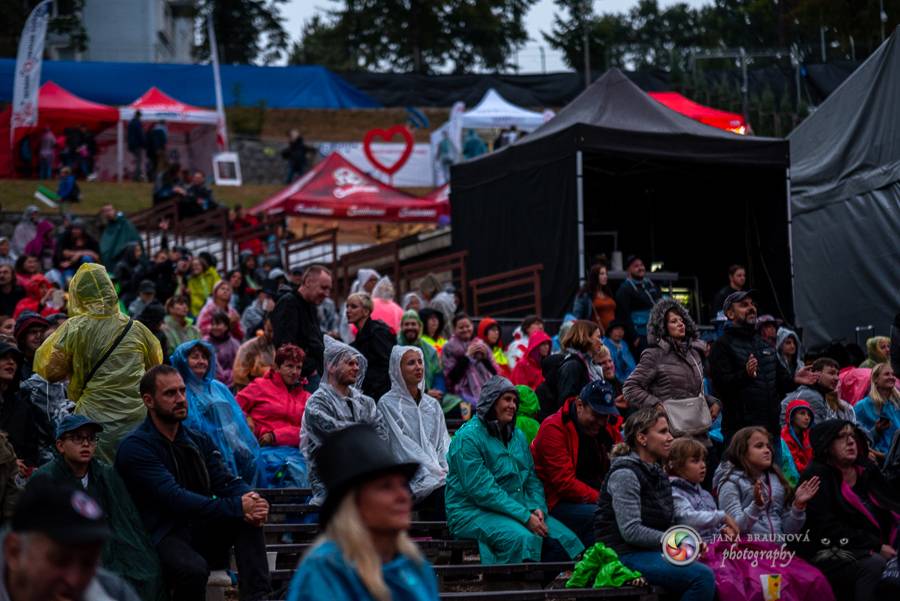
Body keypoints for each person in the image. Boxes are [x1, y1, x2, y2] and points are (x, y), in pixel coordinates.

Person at [116, 365, 271, 601]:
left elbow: (225, 480)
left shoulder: (196, 439)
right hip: (158, 535)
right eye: (170, 393)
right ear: (149, 400)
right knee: (193, 570)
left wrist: (253, 500)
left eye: (182, 391)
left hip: (197, 528)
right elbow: (175, 498)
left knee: (248, 520)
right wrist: (237, 506)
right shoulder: (136, 448)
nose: (180, 399)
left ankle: (259, 598)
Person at [285, 424, 438, 601]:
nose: (403, 496)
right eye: (386, 487)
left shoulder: (414, 564)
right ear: (353, 504)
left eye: (403, 485)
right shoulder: (326, 570)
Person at [445, 377, 583, 564]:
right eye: (507, 399)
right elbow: (483, 491)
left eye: (515, 401)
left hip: (517, 506)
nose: (512, 406)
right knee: (524, 539)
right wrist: (525, 517)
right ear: (491, 401)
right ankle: (509, 587)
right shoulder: (468, 438)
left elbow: (532, 478)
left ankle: (531, 587)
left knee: (566, 541)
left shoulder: (516, 435)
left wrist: (537, 507)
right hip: (471, 510)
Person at [35, 264, 162, 462]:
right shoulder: (136, 328)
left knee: (101, 479)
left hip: (95, 420)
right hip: (138, 418)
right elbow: (155, 366)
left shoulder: (74, 329)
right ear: (110, 288)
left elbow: (51, 372)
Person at [33, 415, 164, 601]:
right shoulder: (45, 478)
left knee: (145, 570)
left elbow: (126, 519)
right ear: (60, 445)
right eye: (77, 438)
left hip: (109, 544)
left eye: (91, 438)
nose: (86, 444)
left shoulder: (106, 473)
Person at [593, 407, 716, 600]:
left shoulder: (657, 473)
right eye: (662, 432)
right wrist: (679, 539)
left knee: (716, 566)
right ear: (642, 438)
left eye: (669, 431)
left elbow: (668, 523)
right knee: (702, 577)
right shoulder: (625, 474)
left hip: (651, 552)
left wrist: (692, 541)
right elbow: (631, 531)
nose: (670, 438)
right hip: (623, 555)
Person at [797, 420, 900, 600]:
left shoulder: (866, 468)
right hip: (833, 549)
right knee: (874, 564)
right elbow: (825, 528)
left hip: (880, 541)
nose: (851, 441)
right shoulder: (817, 477)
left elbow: (892, 504)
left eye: (852, 436)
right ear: (827, 445)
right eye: (841, 437)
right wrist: (875, 546)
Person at [1, 477, 142, 601]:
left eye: (88, 563)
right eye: (60, 561)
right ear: (14, 551)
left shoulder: (114, 593)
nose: (74, 580)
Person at [710, 290, 815, 444]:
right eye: (744, 305)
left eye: (753, 304)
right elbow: (721, 387)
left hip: (771, 431)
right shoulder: (722, 346)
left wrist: (794, 379)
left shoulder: (764, 344)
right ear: (730, 314)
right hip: (742, 435)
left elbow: (780, 384)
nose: (752, 308)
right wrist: (745, 374)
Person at [531, 380, 620, 547]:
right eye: (596, 414)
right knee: (602, 516)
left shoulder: (604, 430)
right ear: (580, 405)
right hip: (555, 501)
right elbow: (564, 483)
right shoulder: (554, 428)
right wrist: (603, 499)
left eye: (605, 416)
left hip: (592, 496)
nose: (601, 421)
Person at [300, 336, 384, 513]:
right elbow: (337, 436)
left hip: (365, 479)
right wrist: (365, 438)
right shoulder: (317, 403)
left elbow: (381, 435)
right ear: (331, 366)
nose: (356, 368)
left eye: (356, 364)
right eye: (349, 363)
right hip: (330, 482)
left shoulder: (366, 402)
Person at [623, 298, 718, 438]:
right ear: (662, 327)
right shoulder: (654, 355)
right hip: (670, 434)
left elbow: (692, 392)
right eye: (674, 321)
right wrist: (656, 405)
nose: (680, 324)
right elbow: (630, 388)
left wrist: (713, 402)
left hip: (698, 430)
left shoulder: (694, 354)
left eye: (682, 320)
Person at [377, 346, 451, 520]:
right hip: (406, 477)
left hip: (438, 474)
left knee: (454, 487)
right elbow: (401, 447)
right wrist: (433, 472)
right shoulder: (387, 404)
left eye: (420, 362)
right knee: (443, 491)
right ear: (398, 369)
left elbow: (443, 443)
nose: (418, 367)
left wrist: (446, 469)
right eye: (411, 363)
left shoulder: (432, 405)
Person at [236, 344, 310, 488]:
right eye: (289, 366)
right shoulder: (260, 386)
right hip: (262, 452)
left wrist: (276, 436)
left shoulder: (307, 397)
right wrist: (248, 420)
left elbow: (309, 431)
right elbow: (232, 408)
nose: (294, 372)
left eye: (298, 367)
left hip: (296, 454)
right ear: (277, 367)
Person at [272, 265, 331, 391]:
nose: (327, 294)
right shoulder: (288, 304)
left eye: (328, 289)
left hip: (316, 375)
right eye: (323, 288)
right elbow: (285, 347)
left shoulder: (311, 305)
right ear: (308, 282)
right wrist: (310, 367)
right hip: (302, 379)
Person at [666, 438, 738, 541]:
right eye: (695, 461)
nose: (703, 465)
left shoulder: (705, 494)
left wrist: (723, 530)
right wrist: (722, 516)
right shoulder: (673, 492)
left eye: (703, 460)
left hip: (714, 546)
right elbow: (687, 519)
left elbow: (714, 526)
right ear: (677, 465)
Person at [442, 313, 497, 416]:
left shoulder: (481, 344)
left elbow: (495, 372)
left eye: (467, 326)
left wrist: (485, 359)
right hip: (461, 393)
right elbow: (451, 378)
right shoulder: (449, 347)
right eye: (461, 327)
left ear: (472, 326)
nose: (465, 330)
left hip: (485, 390)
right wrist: (467, 356)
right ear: (454, 329)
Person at [347, 292, 395, 401]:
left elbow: (387, 364)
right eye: (347, 306)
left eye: (353, 307)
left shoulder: (378, 333)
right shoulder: (359, 337)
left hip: (381, 395)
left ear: (365, 311)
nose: (348, 310)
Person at [780, 357, 855, 425]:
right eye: (831, 373)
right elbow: (819, 433)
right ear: (816, 374)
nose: (837, 378)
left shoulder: (817, 394)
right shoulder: (811, 396)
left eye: (837, 374)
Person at [0, 341, 39, 471]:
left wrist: (25, 466)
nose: (11, 362)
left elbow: (31, 449)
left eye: (14, 360)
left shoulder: (22, 407)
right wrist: (9, 461)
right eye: (4, 357)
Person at [614, 255, 661, 355]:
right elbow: (624, 315)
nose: (640, 268)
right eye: (636, 266)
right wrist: (634, 337)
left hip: (655, 334)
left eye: (641, 265)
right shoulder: (624, 289)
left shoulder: (650, 284)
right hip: (640, 336)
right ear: (629, 270)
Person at [555, 320, 605, 410]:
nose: (601, 343)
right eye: (598, 337)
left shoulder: (590, 365)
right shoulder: (572, 366)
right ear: (586, 337)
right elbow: (567, 404)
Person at [854, 362, 900, 455]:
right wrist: (877, 430)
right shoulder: (862, 406)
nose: (892, 377)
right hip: (880, 456)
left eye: (893, 374)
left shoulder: (897, 403)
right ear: (875, 379)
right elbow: (858, 437)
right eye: (887, 374)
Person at [397, 310, 445, 398]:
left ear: (420, 327)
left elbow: (438, 374)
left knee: (459, 405)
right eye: (406, 324)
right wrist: (424, 392)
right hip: (401, 396)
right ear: (401, 327)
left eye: (413, 324)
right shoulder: (394, 347)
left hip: (431, 395)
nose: (410, 327)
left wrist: (438, 391)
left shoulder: (430, 350)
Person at [233, 315, 276, 391]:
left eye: (274, 331)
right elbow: (239, 377)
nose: (272, 335)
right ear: (264, 327)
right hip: (249, 390)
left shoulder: (273, 345)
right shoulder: (249, 347)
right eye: (269, 331)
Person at [780, 399, 815, 486]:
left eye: (809, 415)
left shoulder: (808, 434)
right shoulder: (784, 437)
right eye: (802, 413)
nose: (807, 418)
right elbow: (793, 464)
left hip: (808, 475)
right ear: (791, 416)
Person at [54, 219, 100, 283]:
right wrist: (87, 252)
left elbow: (96, 256)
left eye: (77, 229)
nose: (74, 231)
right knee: (69, 281)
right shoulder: (67, 237)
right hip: (69, 267)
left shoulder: (90, 240)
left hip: (84, 268)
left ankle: (87, 280)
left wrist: (78, 254)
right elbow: (64, 253)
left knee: (86, 258)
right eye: (73, 229)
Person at [573, 262, 617, 330]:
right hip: (595, 333)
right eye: (602, 274)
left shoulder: (607, 292)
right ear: (595, 276)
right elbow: (577, 317)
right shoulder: (585, 295)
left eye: (606, 274)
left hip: (611, 335)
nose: (605, 276)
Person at [13, 311, 48, 381]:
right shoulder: (14, 363)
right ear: (22, 337)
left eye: (42, 332)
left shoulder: (50, 360)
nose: (39, 336)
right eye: (33, 332)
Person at [127, 110, 145, 181]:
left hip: (131, 144)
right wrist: (144, 144)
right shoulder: (137, 123)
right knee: (138, 161)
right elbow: (140, 134)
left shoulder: (131, 122)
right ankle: (136, 177)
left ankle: (138, 175)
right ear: (139, 116)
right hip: (137, 144)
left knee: (138, 160)